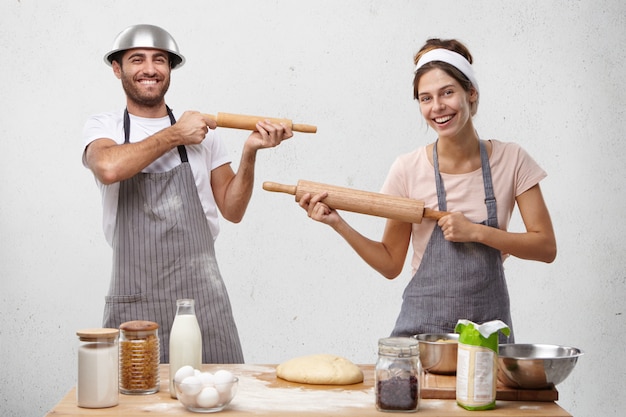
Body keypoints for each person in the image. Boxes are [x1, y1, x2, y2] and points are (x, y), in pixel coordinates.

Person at [298, 38, 556, 342]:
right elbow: (391, 263)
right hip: (421, 341)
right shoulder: (408, 169)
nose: (437, 107)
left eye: (447, 92)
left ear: (471, 93)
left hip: (487, 344)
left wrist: (476, 232)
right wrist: (337, 223)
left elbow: (545, 247)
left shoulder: (512, 160)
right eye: (426, 98)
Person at [82, 24, 293, 363]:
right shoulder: (103, 127)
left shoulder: (204, 134)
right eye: (137, 60)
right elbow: (109, 168)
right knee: (134, 405)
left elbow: (233, 209)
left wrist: (250, 151)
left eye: (160, 60)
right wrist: (175, 134)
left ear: (170, 69)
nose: (150, 69)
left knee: (218, 401)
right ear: (117, 68)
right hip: (136, 303)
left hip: (202, 303)